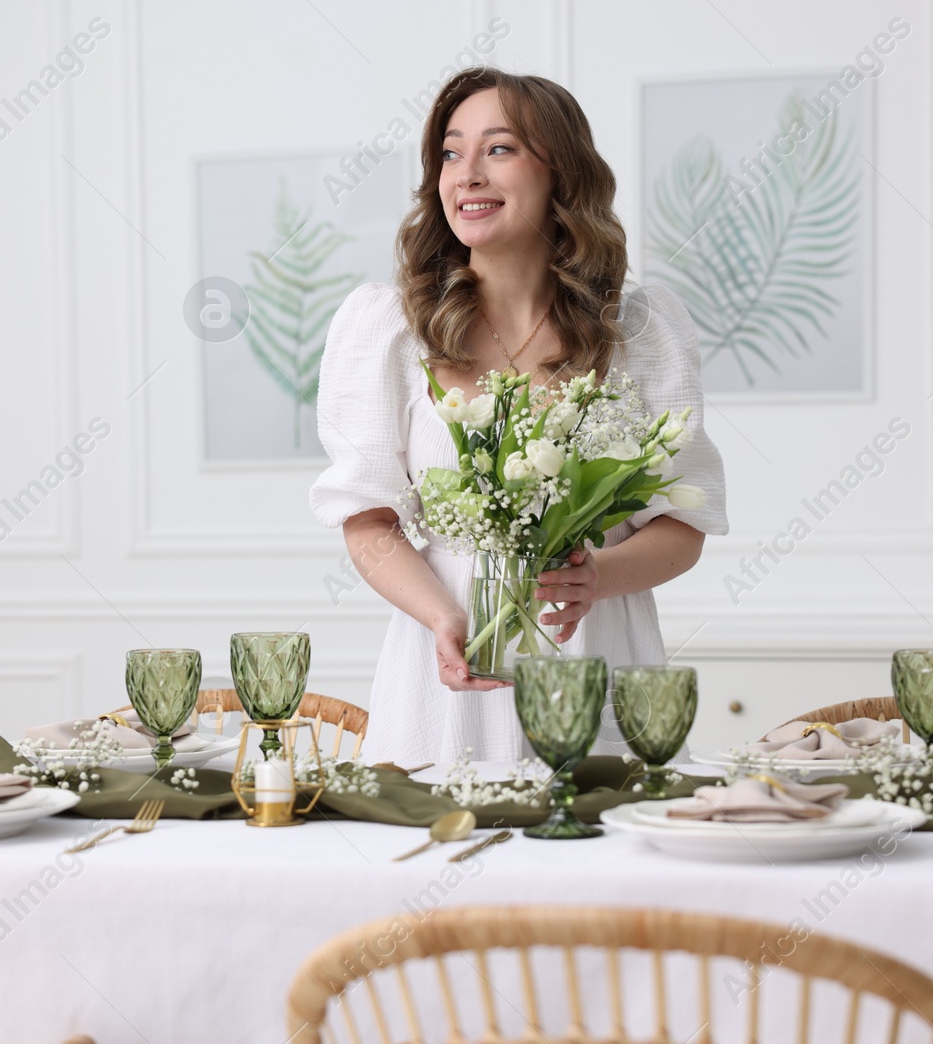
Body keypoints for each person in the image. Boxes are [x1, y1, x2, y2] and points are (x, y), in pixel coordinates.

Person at [309, 67, 728, 764]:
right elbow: (367, 521)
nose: (466, 173)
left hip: (598, 659)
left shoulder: (642, 330)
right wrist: (444, 615)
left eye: (498, 149)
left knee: (605, 863)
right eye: (450, 152)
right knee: (436, 854)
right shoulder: (386, 326)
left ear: (560, 175)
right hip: (445, 676)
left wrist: (598, 574)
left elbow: (683, 524)